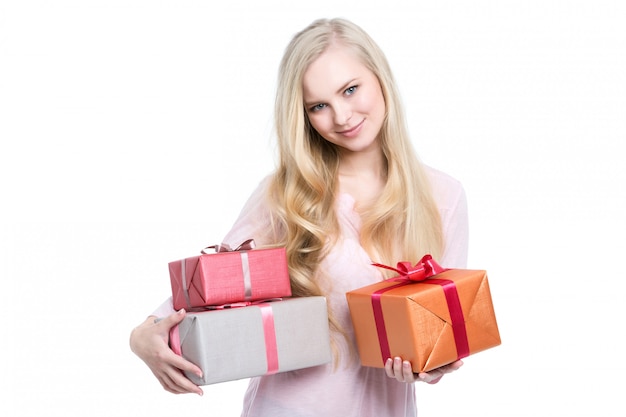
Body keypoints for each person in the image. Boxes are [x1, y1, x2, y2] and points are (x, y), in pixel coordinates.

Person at [130, 17, 469, 416]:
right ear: (304, 116)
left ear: (380, 77)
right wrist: (141, 337)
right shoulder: (286, 195)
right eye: (319, 106)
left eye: (350, 89)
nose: (342, 116)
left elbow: (443, 335)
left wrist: (431, 365)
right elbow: (210, 286)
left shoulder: (443, 196)